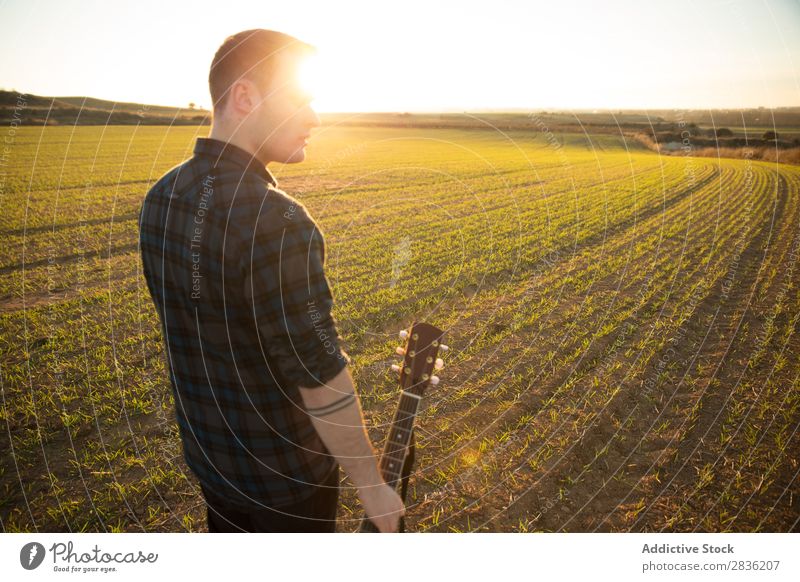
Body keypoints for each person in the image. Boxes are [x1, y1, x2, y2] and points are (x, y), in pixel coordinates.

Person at [138, 29, 404, 533]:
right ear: (245, 96)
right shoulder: (277, 222)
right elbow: (319, 373)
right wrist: (372, 486)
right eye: (300, 100)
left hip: (211, 462)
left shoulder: (161, 197)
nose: (314, 119)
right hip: (286, 484)